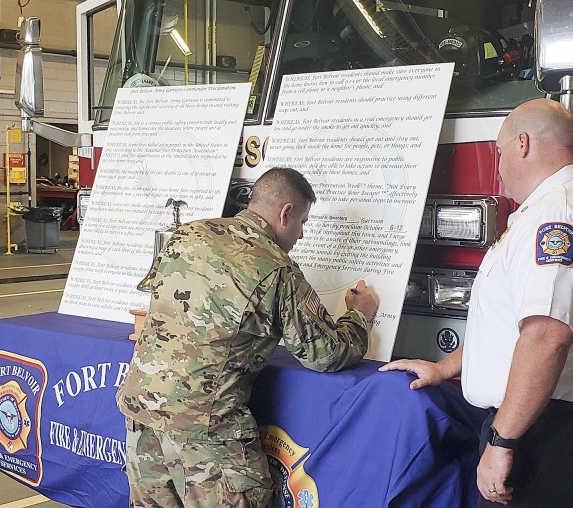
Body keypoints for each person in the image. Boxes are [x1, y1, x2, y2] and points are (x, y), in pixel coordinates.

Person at [117, 167, 379, 507]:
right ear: (286, 213)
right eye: (302, 222)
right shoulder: (276, 268)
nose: (300, 235)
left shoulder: (187, 235)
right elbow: (326, 353)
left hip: (142, 417)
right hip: (208, 432)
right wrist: (359, 314)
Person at [380, 98, 573, 507]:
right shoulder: (538, 212)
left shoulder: (554, 216)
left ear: (523, 144)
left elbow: (546, 336)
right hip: (529, 421)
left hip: (539, 429)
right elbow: (510, 328)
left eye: (499, 152)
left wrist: (503, 440)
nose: (498, 167)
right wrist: (444, 367)